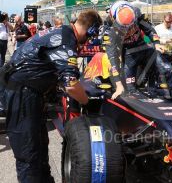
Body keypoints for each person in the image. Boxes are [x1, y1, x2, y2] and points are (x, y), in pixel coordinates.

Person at [4, 9, 102, 183]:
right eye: (91, 36)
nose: (89, 41)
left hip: (30, 92)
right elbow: (71, 84)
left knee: (40, 146)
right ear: (91, 30)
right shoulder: (67, 38)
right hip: (22, 93)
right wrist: (87, 102)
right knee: (29, 152)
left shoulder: (62, 32)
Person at [103, 1, 172, 101]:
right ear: (114, 19)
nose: (129, 30)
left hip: (143, 47)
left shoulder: (136, 13)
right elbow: (112, 58)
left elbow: (148, 29)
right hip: (127, 54)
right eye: (124, 27)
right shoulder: (109, 28)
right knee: (129, 90)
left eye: (131, 26)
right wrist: (118, 84)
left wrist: (156, 42)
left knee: (166, 68)